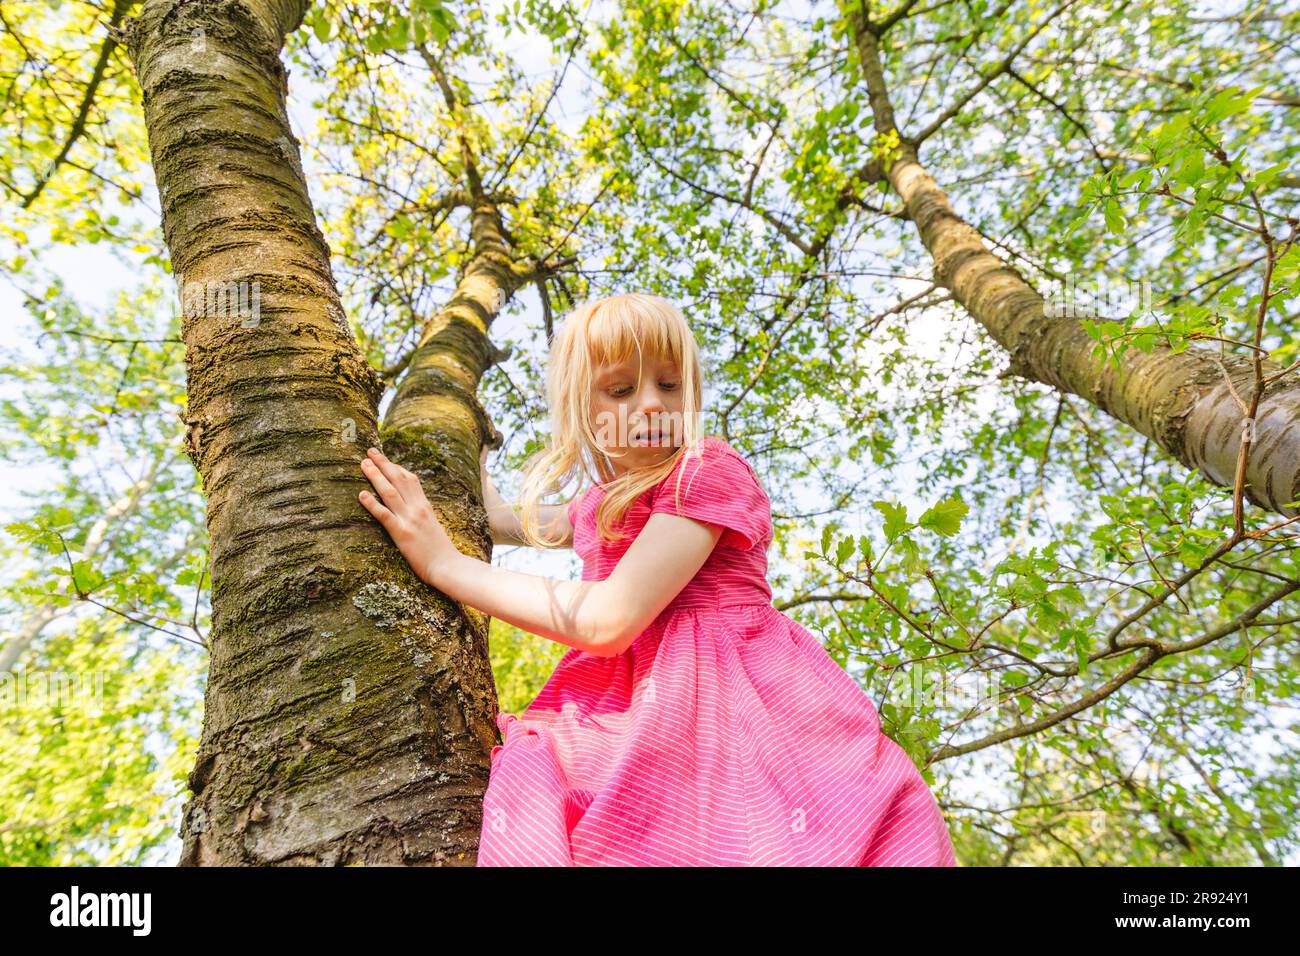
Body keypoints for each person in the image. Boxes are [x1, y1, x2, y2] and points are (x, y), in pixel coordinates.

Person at [357, 292, 957, 866]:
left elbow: (607, 619)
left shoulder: (706, 472)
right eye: (620, 389)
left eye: (669, 385)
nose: (651, 403)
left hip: (727, 704)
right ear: (582, 410)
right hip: (623, 704)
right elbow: (510, 522)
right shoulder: (604, 501)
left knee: (736, 836)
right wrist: (468, 450)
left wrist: (444, 565)